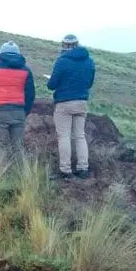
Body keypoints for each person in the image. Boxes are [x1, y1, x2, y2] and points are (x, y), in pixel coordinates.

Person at [47, 34, 96, 178]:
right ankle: (83, 168)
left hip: (64, 103)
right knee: (80, 136)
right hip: (82, 102)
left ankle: (66, 170)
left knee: (64, 137)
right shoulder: (89, 61)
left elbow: (51, 85)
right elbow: (90, 83)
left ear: (64, 45)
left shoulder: (62, 61)